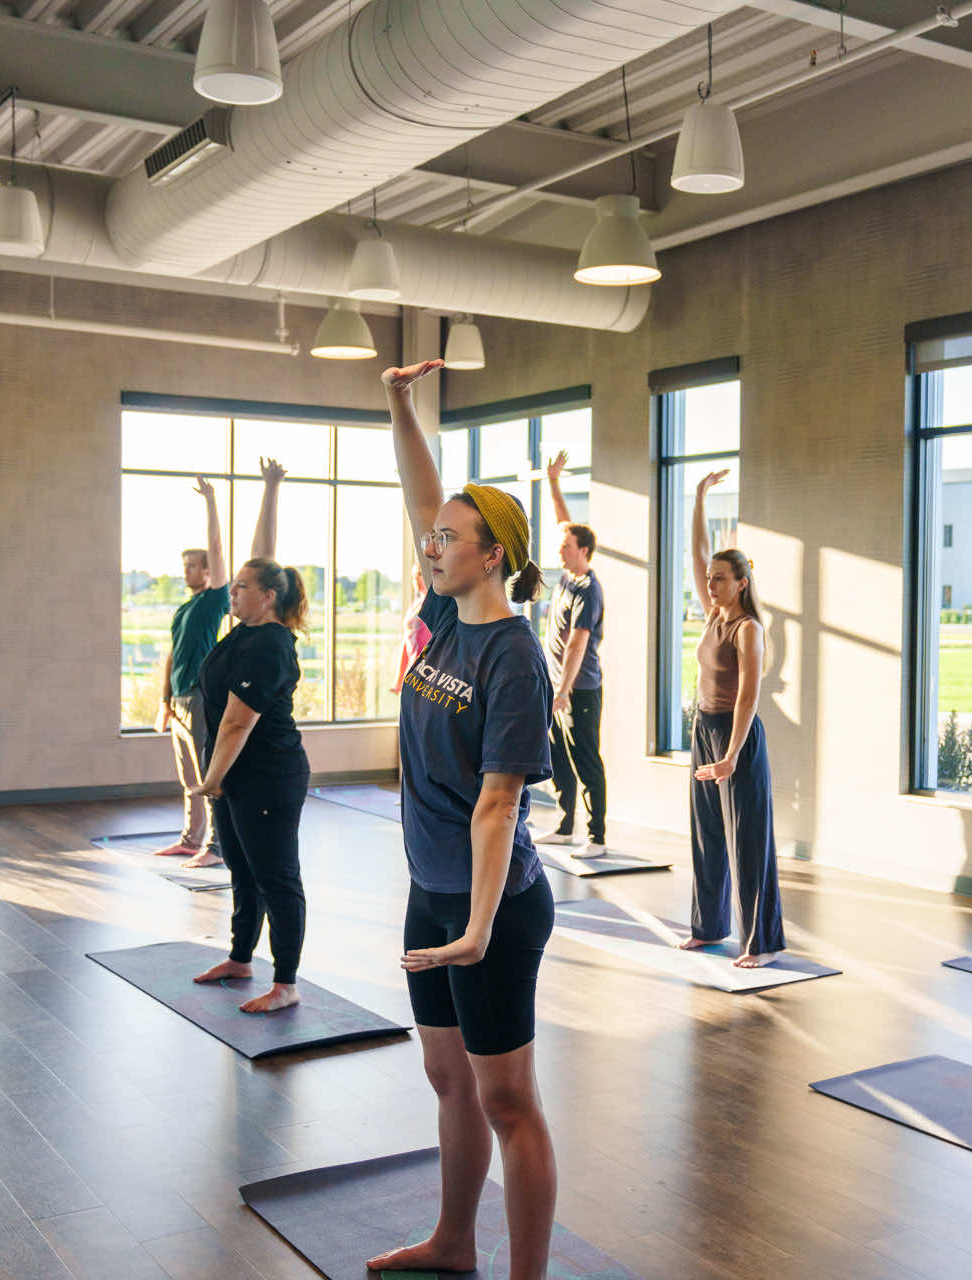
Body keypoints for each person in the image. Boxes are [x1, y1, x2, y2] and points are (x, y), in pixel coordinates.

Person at [368, 360, 558, 1280]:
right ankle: (453, 1244)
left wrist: (477, 929)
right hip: (432, 892)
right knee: (449, 1079)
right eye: (431, 538)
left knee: (508, 1100)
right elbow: (424, 495)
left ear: (493, 556)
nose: (431, 546)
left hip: (494, 912)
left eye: (449, 539)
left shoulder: (513, 659)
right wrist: (400, 405)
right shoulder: (439, 617)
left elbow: (499, 803)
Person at [188, 460, 310, 1015]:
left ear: (268, 596)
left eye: (241, 586)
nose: (231, 592)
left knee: (276, 876)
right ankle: (241, 957)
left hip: (267, 776)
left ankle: (286, 982)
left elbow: (239, 721)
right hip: (237, 776)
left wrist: (209, 780)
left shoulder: (269, 644)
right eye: (232, 585)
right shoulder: (243, 631)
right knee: (241, 868)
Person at [680, 469, 786, 969]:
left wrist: (729, 756)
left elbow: (748, 698)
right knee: (706, 833)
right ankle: (708, 927)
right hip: (703, 729)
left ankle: (760, 943)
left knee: (747, 839)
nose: (710, 583)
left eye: (720, 579)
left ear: (741, 584)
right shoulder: (713, 615)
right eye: (709, 580)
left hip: (736, 738)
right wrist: (699, 496)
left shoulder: (747, 630)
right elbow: (698, 553)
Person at [153, 480, 230, 865]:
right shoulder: (184, 610)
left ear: (206, 571)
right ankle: (190, 838)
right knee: (188, 779)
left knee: (206, 776)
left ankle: (216, 846)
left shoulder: (213, 601)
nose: (185, 572)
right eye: (183, 566)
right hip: (179, 700)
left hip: (200, 697)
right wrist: (164, 701)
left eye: (191, 566)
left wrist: (212, 502)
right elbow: (171, 655)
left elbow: (217, 548)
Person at [538, 449, 608, 856]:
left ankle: (596, 836)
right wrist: (552, 482)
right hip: (556, 686)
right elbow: (564, 520)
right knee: (558, 758)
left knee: (585, 758)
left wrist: (563, 691)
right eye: (562, 543)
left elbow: (579, 644)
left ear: (584, 551)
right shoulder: (567, 574)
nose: (560, 548)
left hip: (579, 689)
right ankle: (565, 826)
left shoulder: (588, 589)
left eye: (567, 545)